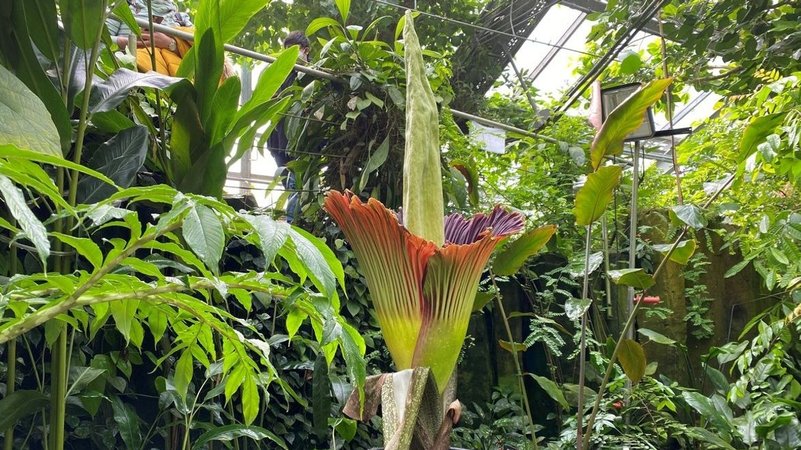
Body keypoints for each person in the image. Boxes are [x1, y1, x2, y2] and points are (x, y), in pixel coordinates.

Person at [267, 31, 311, 224]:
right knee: (290, 187)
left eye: (293, 51)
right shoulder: (281, 73)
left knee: (295, 187)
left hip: (297, 145)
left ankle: (293, 228)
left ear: (306, 51)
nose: (289, 55)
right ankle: (294, 225)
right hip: (278, 143)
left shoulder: (310, 76)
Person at [107, 0, 193, 76]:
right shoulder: (122, 6)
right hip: (125, 77)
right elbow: (99, 39)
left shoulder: (181, 19)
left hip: (167, 86)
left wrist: (170, 44)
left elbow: (196, 57)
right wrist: (125, 43)